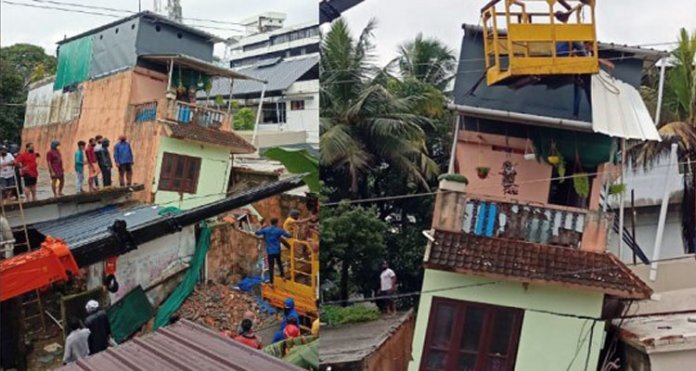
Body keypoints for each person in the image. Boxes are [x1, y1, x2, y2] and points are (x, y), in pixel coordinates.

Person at [255, 218, 291, 285]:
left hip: (270, 252)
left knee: (271, 267)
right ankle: (283, 276)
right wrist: (288, 232)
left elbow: (257, 232)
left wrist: (262, 227)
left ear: (271, 223)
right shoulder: (279, 230)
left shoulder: (266, 230)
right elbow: (289, 236)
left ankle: (271, 282)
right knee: (279, 263)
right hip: (277, 251)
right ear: (276, 223)